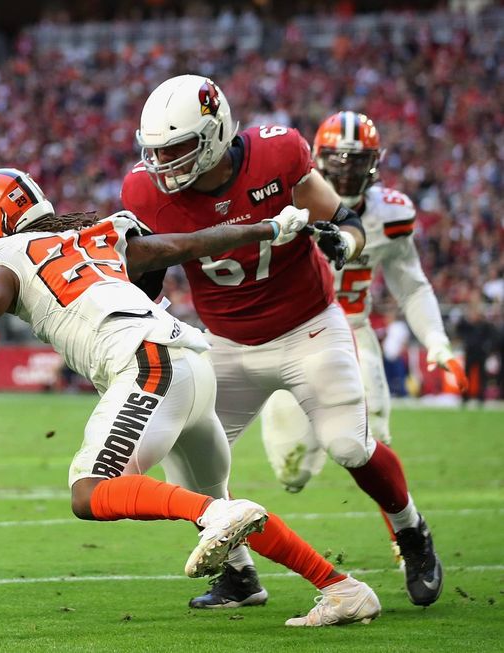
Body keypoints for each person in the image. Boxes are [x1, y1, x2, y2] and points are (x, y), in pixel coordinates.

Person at [0, 167, 380, 627]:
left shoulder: (5, 258)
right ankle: (337, 587)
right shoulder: (94, 235)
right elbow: (184, 246)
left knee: (91, 492)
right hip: (192, 359)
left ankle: (221, 517)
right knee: (218, 505)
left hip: (149, 366)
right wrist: (269, 228)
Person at [120, 75, 442, 609]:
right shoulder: (143, 190)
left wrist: (345, 241)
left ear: (216, 133)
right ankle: (241, 577)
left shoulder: (277, 154)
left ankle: (411, 530)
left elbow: (345, 218)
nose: (165, 165)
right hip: (224, 343)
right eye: (156, 153)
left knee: (348, 444)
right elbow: (151, 275)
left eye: (178, 150)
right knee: (186, 457)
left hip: (308, 329)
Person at [258, 112, 468, 563]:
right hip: (288, 332)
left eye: (358, 162)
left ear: (375, 164)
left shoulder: (390, 212)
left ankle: (408, 540)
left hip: (350, 328)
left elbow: (411, 284)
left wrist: (436, 339)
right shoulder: (286, 201)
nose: (348, 171)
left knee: (372, 438)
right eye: (338, 162)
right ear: (316, 161)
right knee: (290, 472)